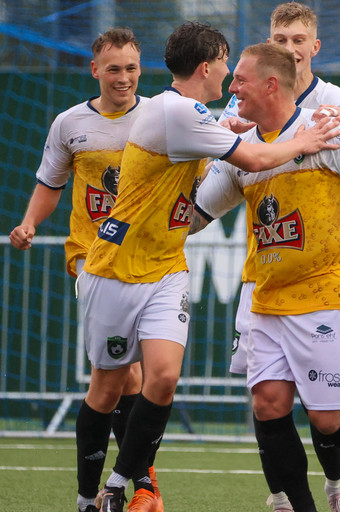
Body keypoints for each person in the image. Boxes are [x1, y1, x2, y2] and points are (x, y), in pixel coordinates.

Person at [78, 21, 340, 512]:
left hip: (166, 268)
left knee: (162, 378)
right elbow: (256, 159)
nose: (229, 74)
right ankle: (84, 497)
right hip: (115, 265)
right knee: (108, 387)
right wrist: (303, 140)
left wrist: (226, 129)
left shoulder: (188, 112)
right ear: (206, 67)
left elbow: (207, 137)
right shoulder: (177, 110)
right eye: (225, 64)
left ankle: (120, 485)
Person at [191, 42, 340, 512]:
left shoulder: (325, 130)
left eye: (240, 80)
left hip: (326, 294)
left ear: (270, 85)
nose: (232, 90)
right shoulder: (242, 151)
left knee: (327, 419)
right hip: (267, 299)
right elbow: (195, 216)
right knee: (268, 405)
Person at [8, 28, 165, 512]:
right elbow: (50, 183)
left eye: (131, 68)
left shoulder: (160, 116)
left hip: (148, 260)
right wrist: (29, 223)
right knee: (123, 375)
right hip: (93, 261)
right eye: (113, 68)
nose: (123, 77)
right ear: (95, 69)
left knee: (130, 378)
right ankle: (138, 488)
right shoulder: (70, 124)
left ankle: (130, 489)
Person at [216, 3, 340, 510]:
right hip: (263, 273)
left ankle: (338, 484)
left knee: (320, 401)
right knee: (267, 398)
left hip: (321, 270)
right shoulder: (243, 99)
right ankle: (282, 496)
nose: (289, 47)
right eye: (280, 38)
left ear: (314, 47)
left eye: (299, 39)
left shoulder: (334, 101)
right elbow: (225, 158)